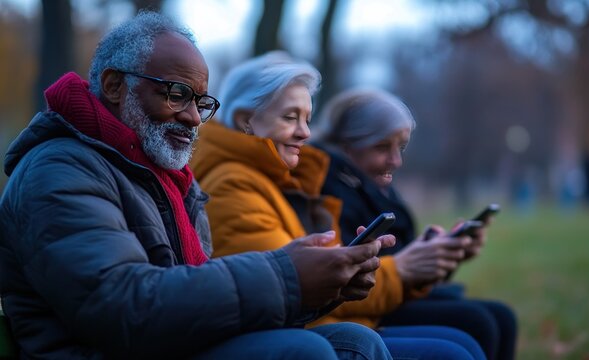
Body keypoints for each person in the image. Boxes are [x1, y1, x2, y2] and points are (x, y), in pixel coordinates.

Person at [0, 12, 397, 360]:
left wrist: (321, 286)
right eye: (176, 95)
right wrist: (286, 275)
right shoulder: (58, 170)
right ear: (114, 86)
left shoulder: (169, 179)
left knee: (354, 342)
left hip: (167, 344)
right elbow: (123, 308)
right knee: (305, 350)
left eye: (201, 102)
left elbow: (197, 299)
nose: (192, 117)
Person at [190, 51, 486, 360]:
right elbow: (300, 283)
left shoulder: (281, 177)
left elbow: (322, 270)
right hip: (305, 335)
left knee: (465, 337)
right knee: (454, 348)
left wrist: (399, 264)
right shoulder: (232, 184)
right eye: (290, 117)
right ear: (244, 120)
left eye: (307, 118)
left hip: (332, 326)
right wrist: (400, 270)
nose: (305, 132)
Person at [312, 88, 518, 360]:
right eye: (382, 147)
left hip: (393, 296)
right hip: (364, 311)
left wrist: (444, 255)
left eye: (401, 147)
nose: (396, 161)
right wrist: (409, 266)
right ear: (345, 145)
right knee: (477, 323)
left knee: (499, 317)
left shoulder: (373, 186)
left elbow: (402, 255)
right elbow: (347, 283)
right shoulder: (329, 191)